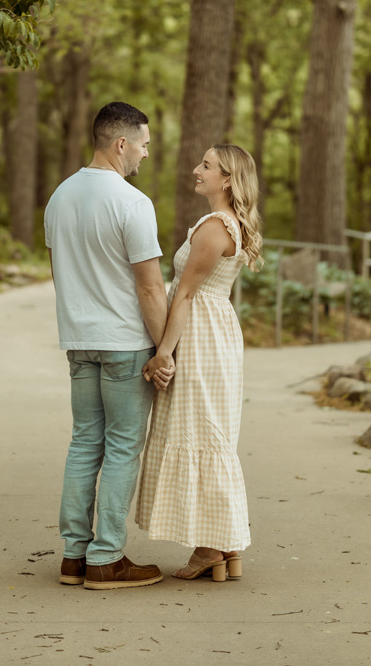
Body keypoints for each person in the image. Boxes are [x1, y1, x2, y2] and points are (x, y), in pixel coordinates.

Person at [43, 101, 171, 590]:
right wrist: (165, 349)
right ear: (121, 144)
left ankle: (74, 556)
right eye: (142, 144)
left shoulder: (60, 197)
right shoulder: (131, 201)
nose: (144, 153)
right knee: (121, 449)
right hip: (124, 343)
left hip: (79, 342)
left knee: (83, 444)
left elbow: (61, 274)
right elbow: (150, 288)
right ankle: (107, 557)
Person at [135, 144, 262, 582]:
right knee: (211, 432)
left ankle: (211, 547)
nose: (196, 170)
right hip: (214, 329)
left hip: (201, 335)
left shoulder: (213, 228)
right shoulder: (225, 224)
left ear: (227, 179)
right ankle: (227, 545)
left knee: (201, 432)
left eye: (205, 166)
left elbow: (185, 294)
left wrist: (164, 352)